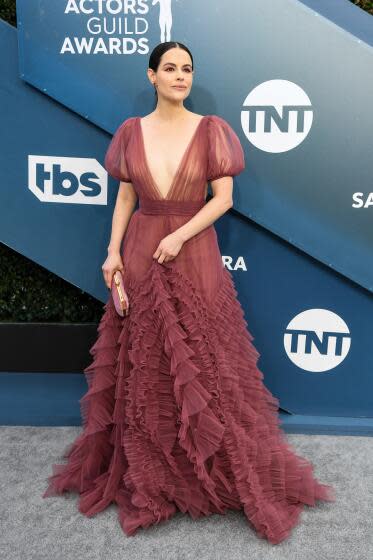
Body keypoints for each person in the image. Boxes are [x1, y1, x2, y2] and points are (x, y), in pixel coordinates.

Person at [42, 41, 336, 544]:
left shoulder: (211, 131)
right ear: (152, 75)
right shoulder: (130, 133)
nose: (181, 76)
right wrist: (112, 253)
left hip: (192, 249)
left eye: (188, 69)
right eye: (171, 69)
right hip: (139, 249)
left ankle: (210, 466)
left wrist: (179, 235)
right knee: (147, 362)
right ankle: (153, 470)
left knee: (204, 359)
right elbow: (125, 200)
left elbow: (223, 198)